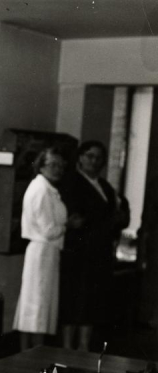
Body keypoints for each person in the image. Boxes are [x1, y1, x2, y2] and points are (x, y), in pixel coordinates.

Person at [60, 140, 130, 351]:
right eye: (89, 156)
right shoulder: (71, 182)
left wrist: (116, 218)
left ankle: (83, 348)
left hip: (99, 254)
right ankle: (66, 349)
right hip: (79, 252)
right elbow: (78, 217)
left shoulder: (104, 185)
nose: (94, 161)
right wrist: (105, 220)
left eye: (99, 157)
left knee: (91, 304)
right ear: (80, 157)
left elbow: (119, 212)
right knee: (74, 302)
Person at [13, 147, 68, 351]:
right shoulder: (40, 190)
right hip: (42, 251)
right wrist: (68, 224)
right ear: (41, 165)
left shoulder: (47, 189)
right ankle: (32, 356)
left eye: (61, 165)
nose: (58, 169)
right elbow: (49, 230)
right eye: (52, 164)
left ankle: (29, 354)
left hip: (46, 252)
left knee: (36, 306)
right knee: (37, 308)